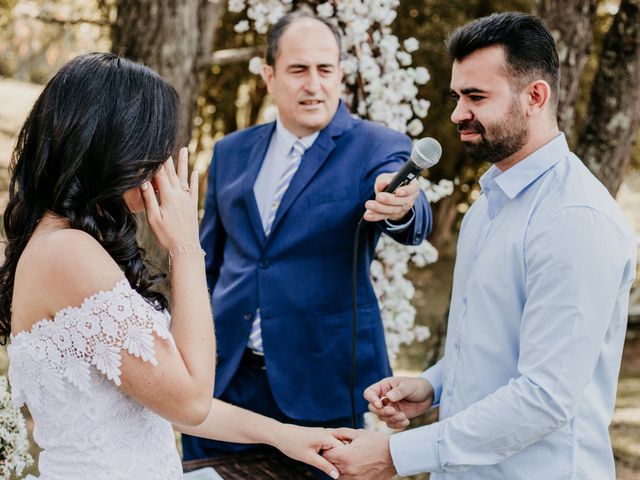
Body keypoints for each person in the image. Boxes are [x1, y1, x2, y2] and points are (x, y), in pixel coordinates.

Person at [324, 11, 638, 480]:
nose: (456, 114)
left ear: (535, 96)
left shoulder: (575, 220)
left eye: (475, 97)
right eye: (457, 96)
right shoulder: (487, 206)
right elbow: (493, 344)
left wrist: (394, 455)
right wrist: (432, 386)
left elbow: (544, 396)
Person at [0, 52, 344, 480]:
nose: (162, 163)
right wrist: (185, 246)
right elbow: (190, 400)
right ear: (113, 145)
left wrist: (280, 434)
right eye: (153, 146)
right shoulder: (68, 252)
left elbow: (162, 397)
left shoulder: (67, 243)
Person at [181, 8, 432, 468]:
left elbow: (409, 210)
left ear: (340, 73)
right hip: (223, 383)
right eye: (298, 70)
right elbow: (208, 264)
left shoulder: (377, 147)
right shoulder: (231, 152)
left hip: (319, 384)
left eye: (325, 69)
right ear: (269, 75)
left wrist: (401, 204)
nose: (313, 84)